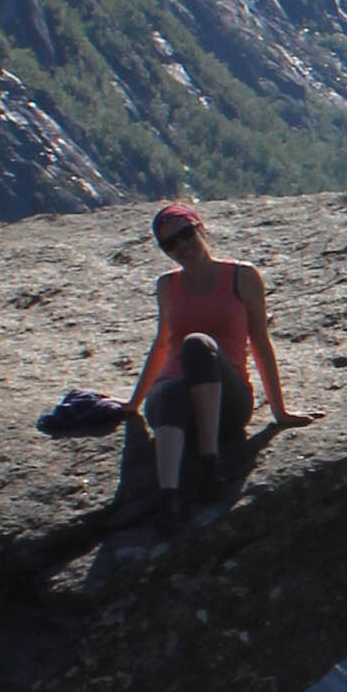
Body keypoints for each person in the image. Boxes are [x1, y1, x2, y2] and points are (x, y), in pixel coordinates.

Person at [126, 199, 294, 507]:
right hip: (176, 407)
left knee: (197, 346)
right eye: (170, 244)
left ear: (200, 228)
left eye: (186, 234)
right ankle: (168, 500)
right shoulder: (166, 286)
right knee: (168, 391)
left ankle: (209, 460)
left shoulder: (241, 277)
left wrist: (279, 412)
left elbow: (259, 341)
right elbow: (162, 344)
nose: (181, 246)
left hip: (228, 403)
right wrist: (132, 404)